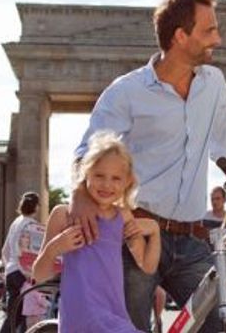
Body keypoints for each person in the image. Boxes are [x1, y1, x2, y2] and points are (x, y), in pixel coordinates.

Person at [70, 0, 226, 331]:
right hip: (137, 236)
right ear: (180, 36)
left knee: (218, 325)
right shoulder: (126, 92)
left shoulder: (214, 83)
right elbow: (87, 153)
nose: (218, 39)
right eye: (209, 30)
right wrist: (79, 195)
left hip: (192, 239)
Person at [32, 131, 161, 333]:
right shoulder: (63, 215)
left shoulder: (123, 217)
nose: (107, 184)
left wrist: (154, 231)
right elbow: (39, 275)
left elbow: (147, 265)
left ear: (127, 181)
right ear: (86, 174)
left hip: (114, 314)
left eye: (116, 178)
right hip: (81, 316)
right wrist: (55, 248)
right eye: (99, 175)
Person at [0, 191, 40, 333]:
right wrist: (28, 273)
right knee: (19, 316)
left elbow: (4, 251)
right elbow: (33, 254)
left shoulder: (15, 223)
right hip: (23, 274)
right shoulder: (33, 226)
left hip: (11, 272)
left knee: (16, 315)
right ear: (37, 207)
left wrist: (7, 270)